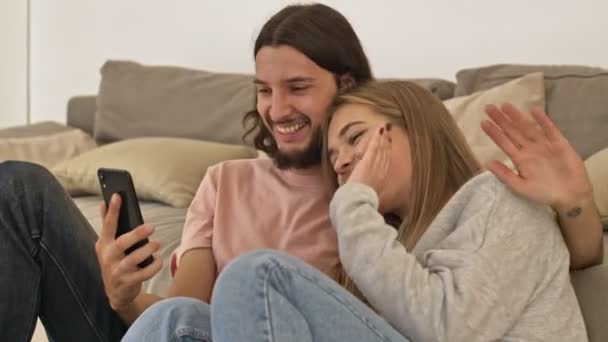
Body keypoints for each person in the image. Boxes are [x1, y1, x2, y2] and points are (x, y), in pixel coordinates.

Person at [0, 3, 601, 342]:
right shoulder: (228, 183)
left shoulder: (383, 203)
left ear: (348, 88)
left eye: (298, 88)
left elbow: (523, 252)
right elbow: (179, 316)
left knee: (253, 275)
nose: (278, 109)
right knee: (21, 188)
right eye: (264, 90)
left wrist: (576, 208)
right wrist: (124, 294)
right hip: (172, 328)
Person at [130, 80, 587, 342]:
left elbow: (448, 327)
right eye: (333, 155)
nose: (342, 161)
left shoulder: (499, 198)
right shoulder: (391, 244)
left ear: (418, 131)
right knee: (172, 321)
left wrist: (352, 202)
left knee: (257, 275)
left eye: (355, 138)